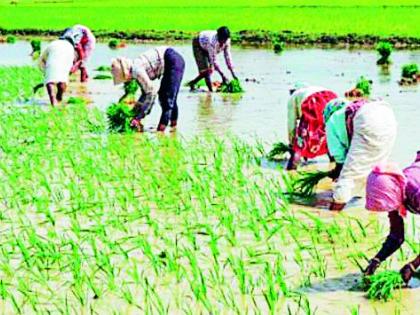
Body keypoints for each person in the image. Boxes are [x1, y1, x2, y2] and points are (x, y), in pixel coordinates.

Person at [324, 98, 397, 210]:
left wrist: (337, 172)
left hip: (366, 118)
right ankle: (375, 211)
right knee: (376, 169)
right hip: (388, 115)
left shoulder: (332, 120)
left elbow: (340, 159)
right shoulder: (346, 112)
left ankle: (333, 214)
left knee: (347, 176)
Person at [363, 154, 420, 284]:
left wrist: (413, 265)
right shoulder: (394, 189)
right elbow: (396, 236)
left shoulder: (416, 193)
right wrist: (376, 260)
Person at [111, 47, 185, 132]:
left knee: (167, 99)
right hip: (169, 61)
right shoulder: (135, 70)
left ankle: (161, 132)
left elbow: (151, 93)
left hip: (173, 60)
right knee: (166, 96)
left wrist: (139, 117)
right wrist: (136, 111)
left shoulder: (136, 71)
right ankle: (173, 129)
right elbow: (145, 94)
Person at [286, 82, 338, 170]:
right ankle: (335, 166)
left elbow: (291, 124)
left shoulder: (293, 97)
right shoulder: (311, 90)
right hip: (332, 98)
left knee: (299, 145)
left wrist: (292, 144)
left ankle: (291, 171)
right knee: (329, 135)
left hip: (314, 101)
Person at [188, 26, 237, 92]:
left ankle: (193, 83)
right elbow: (214, 61)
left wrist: (233, 74)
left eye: (225, 40)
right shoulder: (212, 42)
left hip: (206, 45)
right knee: (206, 70)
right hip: (198, 45)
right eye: (222, 40)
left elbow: (227, 56)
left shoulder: (227, 41)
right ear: (218, 37)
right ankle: (210, 92)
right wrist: (223, 76)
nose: (223, 43)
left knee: (210, 70)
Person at [38, 38, 76, 106]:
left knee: (50, 81)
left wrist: (45, 72)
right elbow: (72, 62)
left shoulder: (53, 43)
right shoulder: (70, 47)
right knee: (62, 80)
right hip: (64, 64)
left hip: (52, 61)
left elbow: (42, 57)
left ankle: (53, 102)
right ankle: (59, 99)